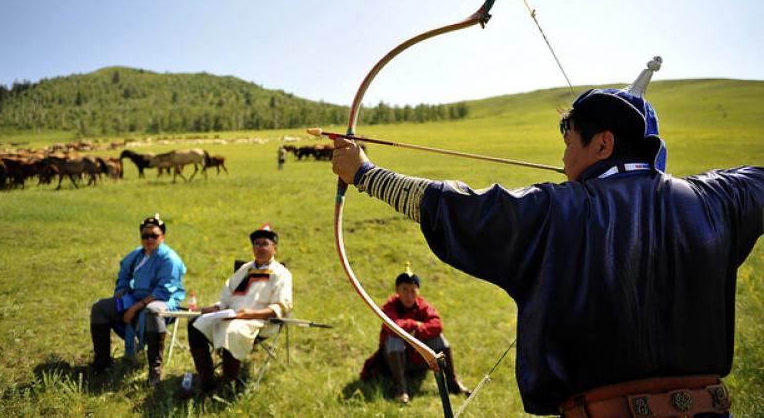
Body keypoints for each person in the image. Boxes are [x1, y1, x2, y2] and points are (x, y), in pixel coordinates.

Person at [331, 61, 764, 417]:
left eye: (569, 140)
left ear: (603, 144)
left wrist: (365, 174)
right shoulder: (719, 198)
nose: (562, 156)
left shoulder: (557, 209)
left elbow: (457, 208)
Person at [185, 223, 293, 395]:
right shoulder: (244, 269)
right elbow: (227, 296)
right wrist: (214, 308)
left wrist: (251, 314)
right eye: (256, 244)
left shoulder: (281, 274)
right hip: (231, 315)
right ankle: (206, 378)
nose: (260, 248)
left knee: (232, 330)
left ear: (274, 248)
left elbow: (282, 306)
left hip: (259, 320)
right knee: (195, 325)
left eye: (264, 244)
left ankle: (228, 382)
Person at [90, 214, 187, 385]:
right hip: (136, 297)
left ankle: (155, 370)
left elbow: (163, 291)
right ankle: (102, 362)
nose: (149, 239)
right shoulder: (138, 254)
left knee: (152, 311)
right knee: (100, 308)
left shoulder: (169, 259)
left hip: (164, 301)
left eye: (154, 235)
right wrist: (121, 292)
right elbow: (124, 273)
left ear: (162, 236)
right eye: (145, 236)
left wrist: (135, 308)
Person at [360, 263, 470, 404]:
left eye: (413, 290)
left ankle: (453, 382)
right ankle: (401, 388)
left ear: (418, 291)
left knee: (440, 340)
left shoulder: (422, 305)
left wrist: (417, 331)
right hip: (395, 361)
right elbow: (393, 326)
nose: (409, 295)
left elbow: (437, 325)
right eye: (405, 290)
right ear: (397, 290)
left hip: (418, 359)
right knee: (394, 340)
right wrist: (414, 324)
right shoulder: (390, 306)